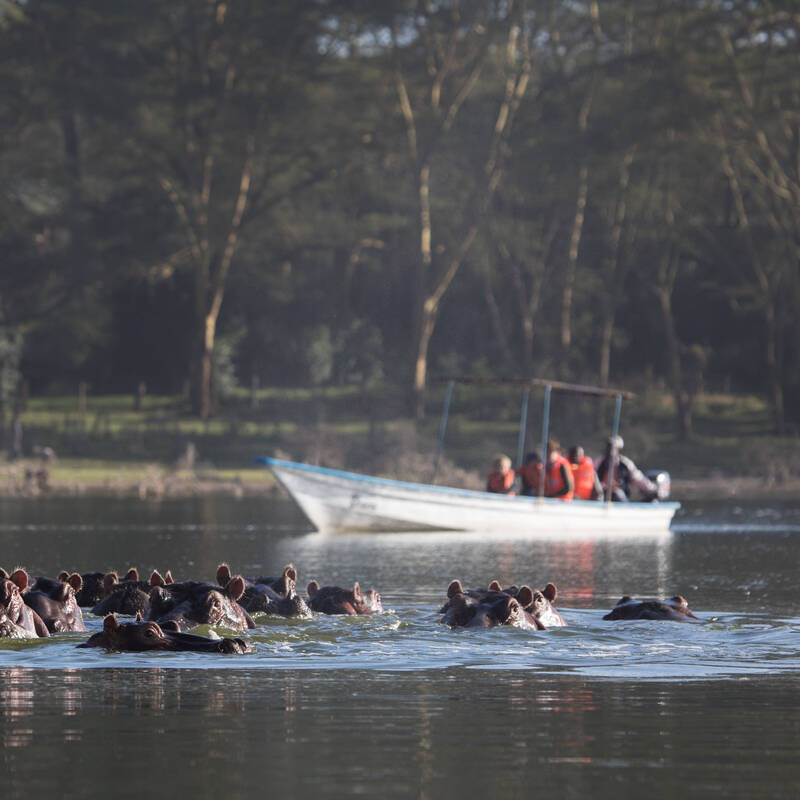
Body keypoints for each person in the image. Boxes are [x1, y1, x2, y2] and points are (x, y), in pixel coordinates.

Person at [595, 436, 657, 502]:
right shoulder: (599, 462)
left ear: (619, 450)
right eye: (609, 447)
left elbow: (639, 479)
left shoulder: (625, 464)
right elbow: (592, 476)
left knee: (618, 494)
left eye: (614, 448)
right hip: (601, 497)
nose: (610, 450)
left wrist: (652, 489)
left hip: (621, 499)